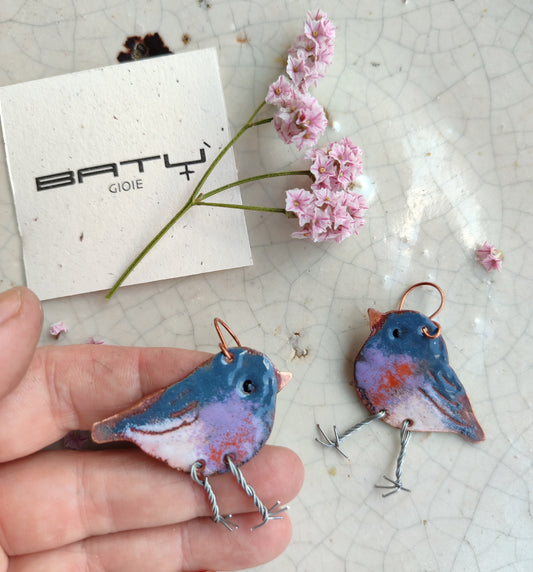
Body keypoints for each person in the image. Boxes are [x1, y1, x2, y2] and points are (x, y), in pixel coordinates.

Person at [0, 286, 304, 571]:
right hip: (170, 439)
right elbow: (166, 412)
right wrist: (123, 424)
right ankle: (227, 513)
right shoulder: (204, 394)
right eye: (252, 388)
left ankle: (249, 511)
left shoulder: (254, 412)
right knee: (209, 475)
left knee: (227, 472)